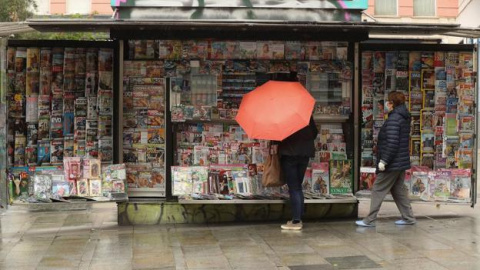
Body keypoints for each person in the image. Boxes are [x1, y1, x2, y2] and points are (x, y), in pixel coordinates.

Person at [356, 91, 416, 227]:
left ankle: (369, 219)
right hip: (400, 161)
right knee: (398, 190)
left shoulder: (394, 118)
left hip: (393, 162)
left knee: (378, 188)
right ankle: (408, 218)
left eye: (388, 102)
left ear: (392, 104)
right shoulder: (403, 116)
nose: (386, 104)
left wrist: (384, 161)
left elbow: (392, 142)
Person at [279, 115, 318, 230]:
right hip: (304, 154)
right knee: (298, 186)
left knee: (294, 187)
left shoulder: (284, 117)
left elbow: (279, 137)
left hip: (290, 154)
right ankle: (298, 216)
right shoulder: (305, 115)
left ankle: (296, 221)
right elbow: (314, 133)